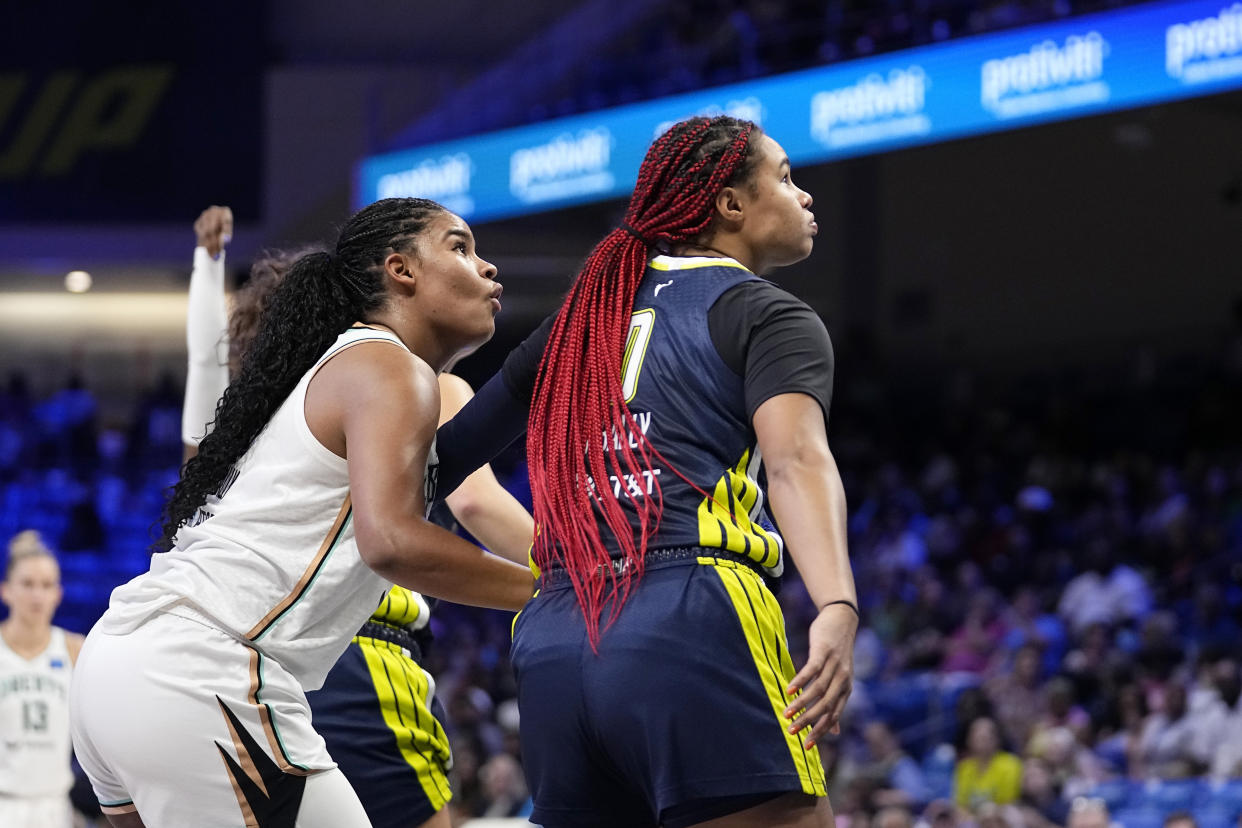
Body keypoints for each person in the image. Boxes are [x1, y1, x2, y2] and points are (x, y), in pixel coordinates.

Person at [439, 115, 856, 827]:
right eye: (785, 178)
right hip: (691, 615)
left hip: (555, 639)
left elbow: (444, 462)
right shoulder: (767, 313)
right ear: (730, 205)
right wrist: (838, 605)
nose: (805, 196)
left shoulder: (583, 314)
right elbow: (794, 462)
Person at [68, 197, 534, 828]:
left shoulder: (328, 378)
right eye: (460, 247)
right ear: (401, 270)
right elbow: (392, 541)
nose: (488, 269)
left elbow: (482, 427)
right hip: (205, 670)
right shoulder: (387, 364)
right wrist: (555, 590)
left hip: (116, 670)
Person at [0, 530, 85, 828]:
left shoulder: (76, 649)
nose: (37, 595)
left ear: (58, 594)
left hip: (55, 807)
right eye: (27, 584)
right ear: (6, 590)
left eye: (46, 585)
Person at [952, 717, 1022, 813]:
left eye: (984, 738)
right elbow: (961, 805)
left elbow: (1008, 803)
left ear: (996, 740)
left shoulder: (1010, 764)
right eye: (976, 737)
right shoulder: (964, 767)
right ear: (969, 740)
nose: (980, 742)